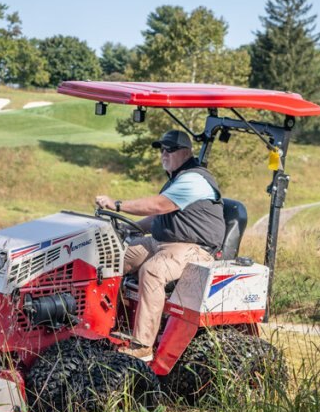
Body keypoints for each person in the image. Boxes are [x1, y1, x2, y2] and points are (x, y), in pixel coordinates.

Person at [95, 130, 224, 362]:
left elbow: (158, 206)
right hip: (161, 242)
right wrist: (129, 228)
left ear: (186, 152)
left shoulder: (194, 179)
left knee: (152, 270)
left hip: (192, 247)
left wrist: (117, 204)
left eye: (170, 149)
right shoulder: (176, 178)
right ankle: (99, 323)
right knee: (112, 258)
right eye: (161, 149)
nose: (164, 154)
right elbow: (158, 219)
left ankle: (142, 346)